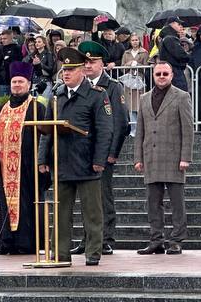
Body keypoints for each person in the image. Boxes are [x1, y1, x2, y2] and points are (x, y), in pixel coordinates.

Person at [39, 47, 111, 266]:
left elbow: (105, 129)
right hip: (61, 161)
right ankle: (60, 253)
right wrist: (43, 158)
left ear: (82, 70)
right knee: (61, 212)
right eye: (64, 69)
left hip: (87, 162)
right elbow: (47, 129)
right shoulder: (57, 94)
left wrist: (99, 160)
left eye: (71, 69)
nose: (66, 73)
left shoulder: (97, 95)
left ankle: (93, 252)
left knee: (92, 213)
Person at [0, 60, 50, 255]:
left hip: (27, 169)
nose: (17, 85)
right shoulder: (2, 108)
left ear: (28, 84)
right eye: (14, 82)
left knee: (28, 206)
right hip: (4, 168)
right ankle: (7, 242)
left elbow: (44, 137)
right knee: (5, 206)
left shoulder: (36, 108)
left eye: (21, 82)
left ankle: (27, 244)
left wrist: (41, 162)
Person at [133, 61, 194, 254]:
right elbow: (139, 130)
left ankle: (176, 239)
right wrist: (138, 157)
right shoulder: (144, 98)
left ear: (171, 75)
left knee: (177, 203)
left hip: (174, 157)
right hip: (151, 156)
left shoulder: (182, 96)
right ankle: (156, 240)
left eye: (165, 73)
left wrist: (186, 157)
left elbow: (188, 129)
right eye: (158, 73)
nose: (161, 76)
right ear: (153, 75)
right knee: (153, 202)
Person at [77, 41, 130, 255]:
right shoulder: (78, 87)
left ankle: (106, 238)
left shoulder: (113, 86)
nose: (88, 65)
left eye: (93, 61)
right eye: (85, 62)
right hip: (81, 154)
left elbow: (121, 122)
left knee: (103, 197)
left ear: (102, 64)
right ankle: (87, 238)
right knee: (86, 199)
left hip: (103, 153)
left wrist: (112, 153)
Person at [157, 18, 192, 93]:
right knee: (179, 96)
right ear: (172, 24)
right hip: (175, 73)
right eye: (178, 24)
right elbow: (181, 55)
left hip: (171, 72)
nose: (180, 26)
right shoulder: (170, 38)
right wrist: (189, 55)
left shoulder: (166, 37)